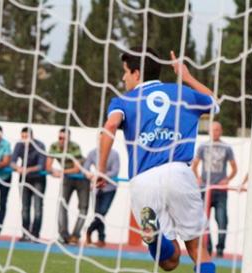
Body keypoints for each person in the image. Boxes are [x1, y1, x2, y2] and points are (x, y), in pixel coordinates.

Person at [97, 47, 218, 272]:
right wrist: (187, 76)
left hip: (143, 180)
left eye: (125, 72)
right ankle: (158, 238)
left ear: (136, 73)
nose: (123, 78)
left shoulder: (122, 101)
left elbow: (110, 126)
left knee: (169, 262)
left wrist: (101, 169)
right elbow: (214, 102)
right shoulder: (182, 93)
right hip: (179, 173)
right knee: (197, 248)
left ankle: (155, 238)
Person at [191, 121, 238, 257]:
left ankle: (220, 249)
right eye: (213, 129)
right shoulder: (203, 147)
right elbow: (194, 165)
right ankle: (209, 248)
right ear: (209, 131)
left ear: (221, 131)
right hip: (205, 190)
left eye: (217, 129)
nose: (215, 132)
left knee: (222, 220)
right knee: (204, 221)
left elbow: (235, 168)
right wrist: (198, 178)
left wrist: (227, 179)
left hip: (220, 191)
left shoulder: (227, 148)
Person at [46, 128, 87, 245]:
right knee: (62, 205)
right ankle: (63, 235)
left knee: (83, 208)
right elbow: (48, 165)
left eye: (64, 138)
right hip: (68, 178)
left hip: (81, 179)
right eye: (60, 138)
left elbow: (77, 168)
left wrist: (61, 172)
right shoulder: (54, 146)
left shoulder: (75, 147)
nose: (62, 140)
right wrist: (53, 171)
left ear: (69, 139)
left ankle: (75, 236)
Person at [11, 127, 46, 241]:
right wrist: (18, 168)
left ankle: (35, 235)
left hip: (38, 179)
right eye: (23, 137)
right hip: (24, 179)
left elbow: (41, 165)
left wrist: (28, 169)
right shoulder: (19, 145)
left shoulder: (40, 146)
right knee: (25, 207)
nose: (24, 139)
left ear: (32, 136)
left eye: (27, 137)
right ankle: (25, 234)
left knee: (37, 207)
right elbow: (12, 162)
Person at [83, 146, 120, 248]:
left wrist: (100, 175)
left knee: (102, 212)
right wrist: (90, 175)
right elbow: (85, 168)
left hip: (110, 188)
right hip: (96, 188)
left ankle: (89, 230)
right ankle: (101, 240)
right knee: (98, 214)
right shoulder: (92, 152)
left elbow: (115, 171)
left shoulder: (114, 154)